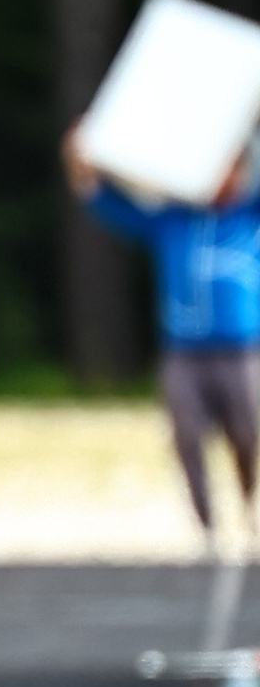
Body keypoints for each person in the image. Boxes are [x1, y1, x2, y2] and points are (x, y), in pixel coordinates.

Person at [62, 122, 260, 545]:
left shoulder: (250, 217)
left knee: (247, 431)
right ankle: (206, 526)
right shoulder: (174, 220)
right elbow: (107, 204)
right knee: (187, 435)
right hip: (184, 352)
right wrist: (80, 164)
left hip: (241, 350)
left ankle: (248, 502)